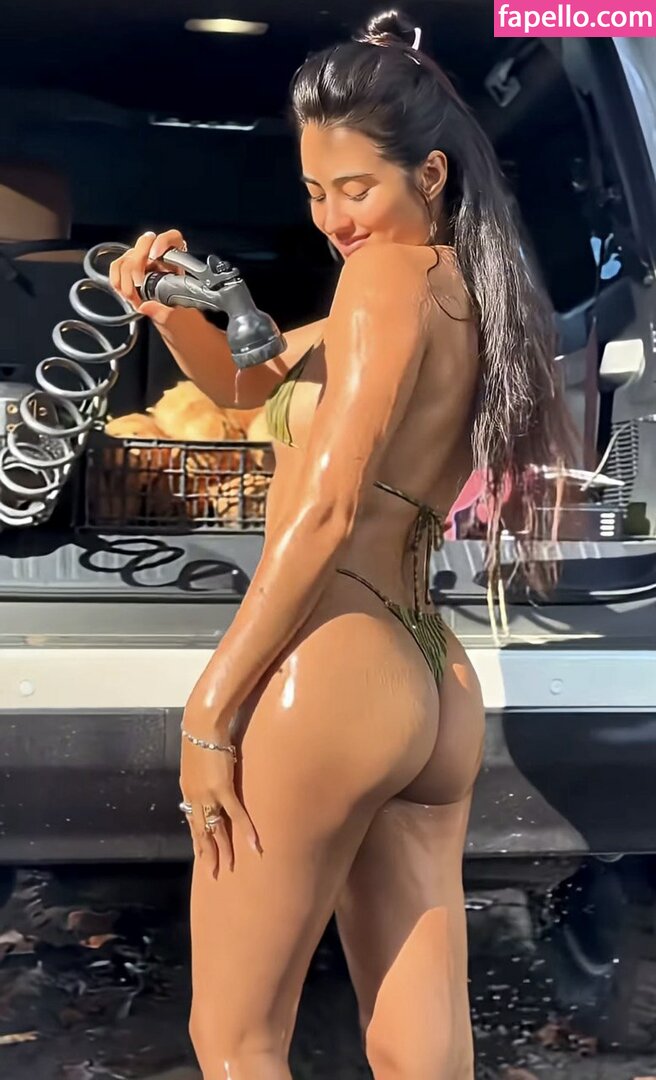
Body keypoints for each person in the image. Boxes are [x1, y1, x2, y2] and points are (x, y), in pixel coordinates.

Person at [110, 9, 575, 1078]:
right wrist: (168, 309)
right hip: (429, 676)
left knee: (235, 1040)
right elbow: (248, 384)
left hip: (331, 670)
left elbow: (325, 506)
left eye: (354, 188)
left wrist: (210, 708)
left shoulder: (381, 283)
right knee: (423, 1054)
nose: (331, 219)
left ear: (429, 174)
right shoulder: (464, 296)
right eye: (315, 192)